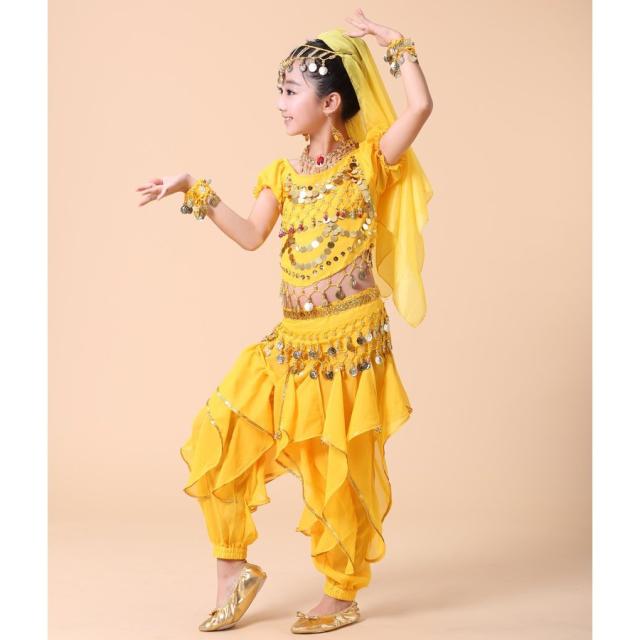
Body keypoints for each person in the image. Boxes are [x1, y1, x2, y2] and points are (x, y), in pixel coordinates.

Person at [136, 9, 433, 635]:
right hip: (292, 344)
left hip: (348, 346)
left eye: (290, 91)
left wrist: (395, 42)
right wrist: (193, 189)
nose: (279, 103)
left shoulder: (369, 162)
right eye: (279, 90)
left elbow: (421, 107)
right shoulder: (284, 175)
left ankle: (341, 594)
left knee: (336, 474)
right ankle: (232, 573)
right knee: (217, 432)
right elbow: (251, 235)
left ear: (330, 102)